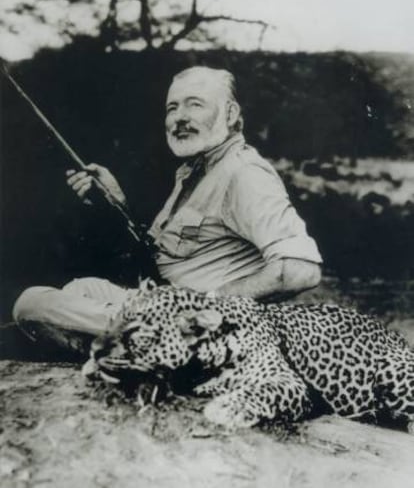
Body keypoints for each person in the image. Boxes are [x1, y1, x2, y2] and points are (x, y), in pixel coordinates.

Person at [13, 66, 322, 354]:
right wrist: (117, 203)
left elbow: (298, 270)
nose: (179, 118)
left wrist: (205, 307)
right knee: (82, 288)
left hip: (196, 328)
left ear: (230, 113)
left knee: (30, 305)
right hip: (159, 303)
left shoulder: (244, 174)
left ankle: (144, 348)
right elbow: (162, 259)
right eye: (172, 108)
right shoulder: (192, 171)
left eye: (194, 104)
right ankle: (129, 345)